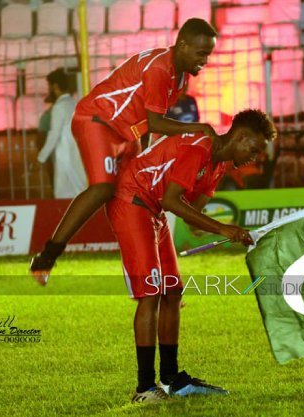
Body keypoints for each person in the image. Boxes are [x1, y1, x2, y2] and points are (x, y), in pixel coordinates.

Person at [30, 18, 219, 284]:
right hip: (98, 121)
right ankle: (47, 257)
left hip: (126, 132)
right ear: (183, 45)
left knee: (138, 192)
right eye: (201, 53)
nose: (205, 61)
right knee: (103, 188)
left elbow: (149, 123)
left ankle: (162, 276)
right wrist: (201, 128)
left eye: (208, 54)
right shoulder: (160, 69)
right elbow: (156, 123)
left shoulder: (179, 77)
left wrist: (144, 160)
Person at [106, 109, 275, 403]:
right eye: (254, 149)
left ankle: (171, 379)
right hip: (132, 201)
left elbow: (192, 217)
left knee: (172, 292)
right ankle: (144, 388)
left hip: (153, 209)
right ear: (240, 136)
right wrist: (222, 228)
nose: (255, 157)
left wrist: (226, 232)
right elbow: (172, 200)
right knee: (151, 294)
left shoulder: (219, 166)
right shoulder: (199, 147)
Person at [36, 68, 87, 199]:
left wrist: (41, 158)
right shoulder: (75, 103)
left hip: (65, 157)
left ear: (55, 87)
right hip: (78, 154)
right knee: (80, 191)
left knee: (63, 195)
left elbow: (54, 136)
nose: (49, 90)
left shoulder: (59, 107)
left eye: (49, 86)